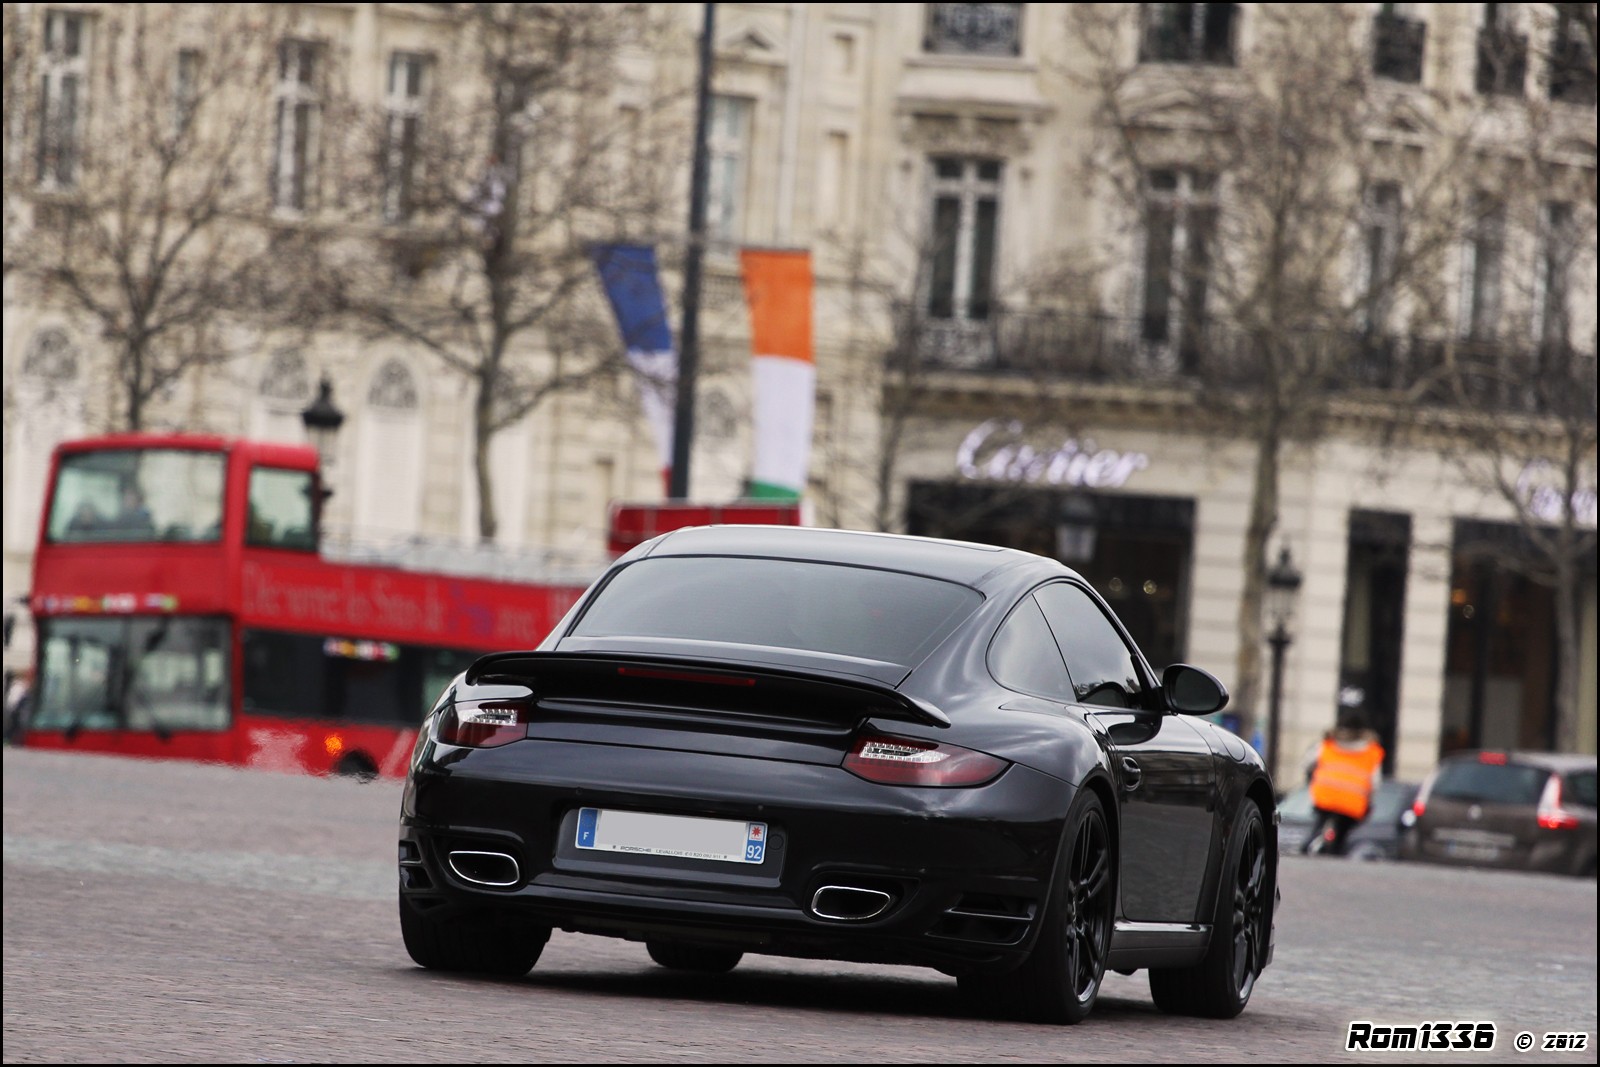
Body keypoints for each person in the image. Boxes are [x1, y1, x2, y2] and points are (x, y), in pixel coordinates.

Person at [1299, 708, 1385, 856]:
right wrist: (1369, 800)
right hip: (1352, 802)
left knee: (1319, 823)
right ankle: (1336, 851)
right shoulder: (1371, 750)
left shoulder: (1328, 744)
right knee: (1342, 833)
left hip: (1325, 795)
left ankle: (1307, 845)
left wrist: (1311, 776)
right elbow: (1375, 782)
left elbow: (1307, 763)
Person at [4, 667, 33, 745]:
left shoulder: (20, 686)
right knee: (15, 728)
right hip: (17, 712)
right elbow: (13, 701)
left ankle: (11, 740)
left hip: (17, 711)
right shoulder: (19, 687)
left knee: (15, 728)